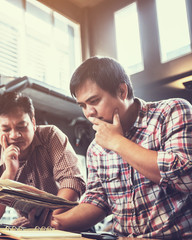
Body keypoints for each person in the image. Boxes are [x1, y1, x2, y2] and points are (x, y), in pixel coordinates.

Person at [51, 56, 192, 238]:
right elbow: (98, 201)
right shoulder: (96, 149)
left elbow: (186, 177)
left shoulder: (172, 111)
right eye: (83, 105)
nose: (88, 113)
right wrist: (57, 221)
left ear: (122, 91)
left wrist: (117, 142)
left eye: (94, 101)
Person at [0, 91, 86, 227]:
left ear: (33, 123)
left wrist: (49, 221)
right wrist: (8, 174)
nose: (15, 135)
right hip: (31, 230)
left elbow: (73, 182)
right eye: (6, 129)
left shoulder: (51, 136)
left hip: (72, 224)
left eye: (21, 127)